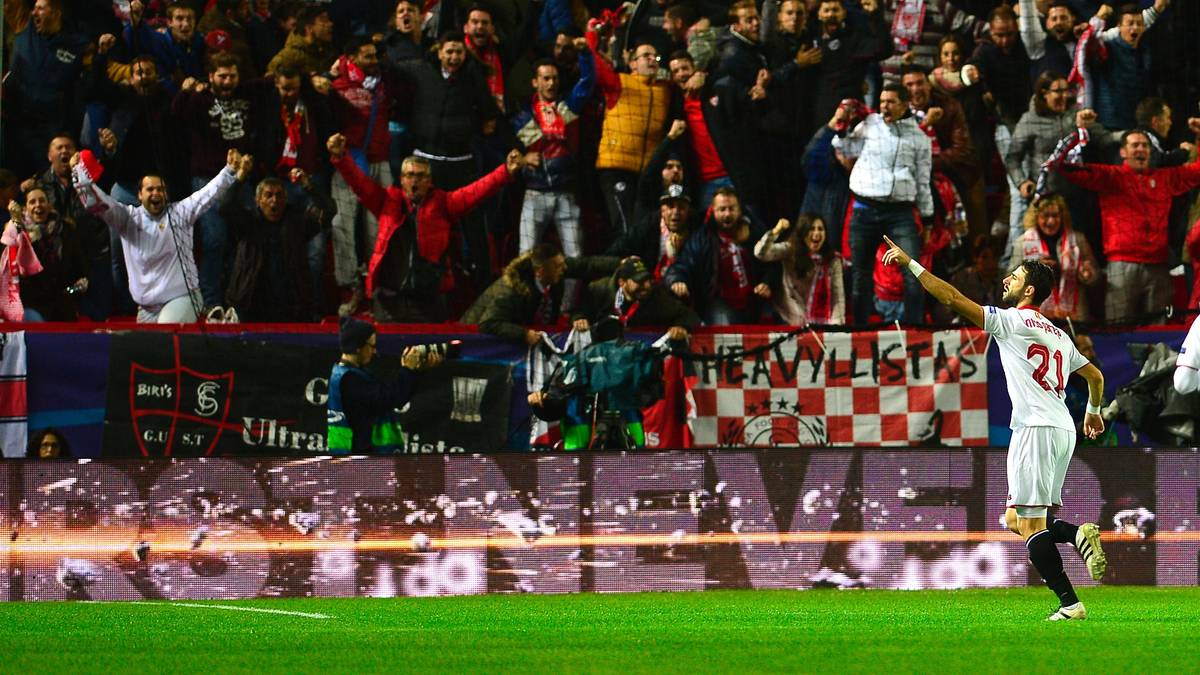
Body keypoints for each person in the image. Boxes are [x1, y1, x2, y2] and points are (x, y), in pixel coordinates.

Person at [881, 236, 1107, 620]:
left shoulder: (1011, 322)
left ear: (1029, 290)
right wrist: (1094, 411)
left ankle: (1070, 604)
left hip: (1035, 428)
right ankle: (1075, 535)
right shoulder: (1058, 335)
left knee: (1031, 523)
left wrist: (911, 264)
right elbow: (1096, 376)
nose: (1007, 279)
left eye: (1015, 276)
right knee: (1015, 519)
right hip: (1061, 429)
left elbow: (951, 298)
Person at [71, 149, 255, 323]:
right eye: (150, 189)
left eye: (160, 189)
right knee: (147, 354)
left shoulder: (181, 212)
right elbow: (97, 203)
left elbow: (207, 195)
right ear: (139, 195)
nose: (156, 193)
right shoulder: (127, 219)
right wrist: (79, 172)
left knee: (163, 339)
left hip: (183, 297)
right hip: (145, 308)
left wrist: (229, 170)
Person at [832, 83, 932, 325]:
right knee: (860, 276)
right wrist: (842, 125)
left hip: (900, 213)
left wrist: (927, 218)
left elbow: (923, 180)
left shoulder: (919, 138)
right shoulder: (870, 125)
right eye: (882, 101)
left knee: (914, 274)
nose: (884, 106)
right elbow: (843, 147)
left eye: (891, 102)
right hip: (864, 210)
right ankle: (859, 333)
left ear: (905, 104)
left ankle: (914, 332)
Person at [326, 317, 443, 454]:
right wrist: (408, 370)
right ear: (358, 347)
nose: (374, 351)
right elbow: (390, 398)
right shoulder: (350, 380)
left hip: (357, 458)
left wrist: (418, 371)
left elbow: (394, 396)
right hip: (357, 462)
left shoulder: (349, 374)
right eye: (372, 346)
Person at [754, 214, 845, 326]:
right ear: (802, 232)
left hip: (821, 324)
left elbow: (837, 297)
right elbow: (760, 253)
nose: (816, 233)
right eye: (811, 229)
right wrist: (776, 231)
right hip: (789, 320)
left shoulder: (832, 259)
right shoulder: (790, 250)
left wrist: (836, 328)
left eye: (820, 229)